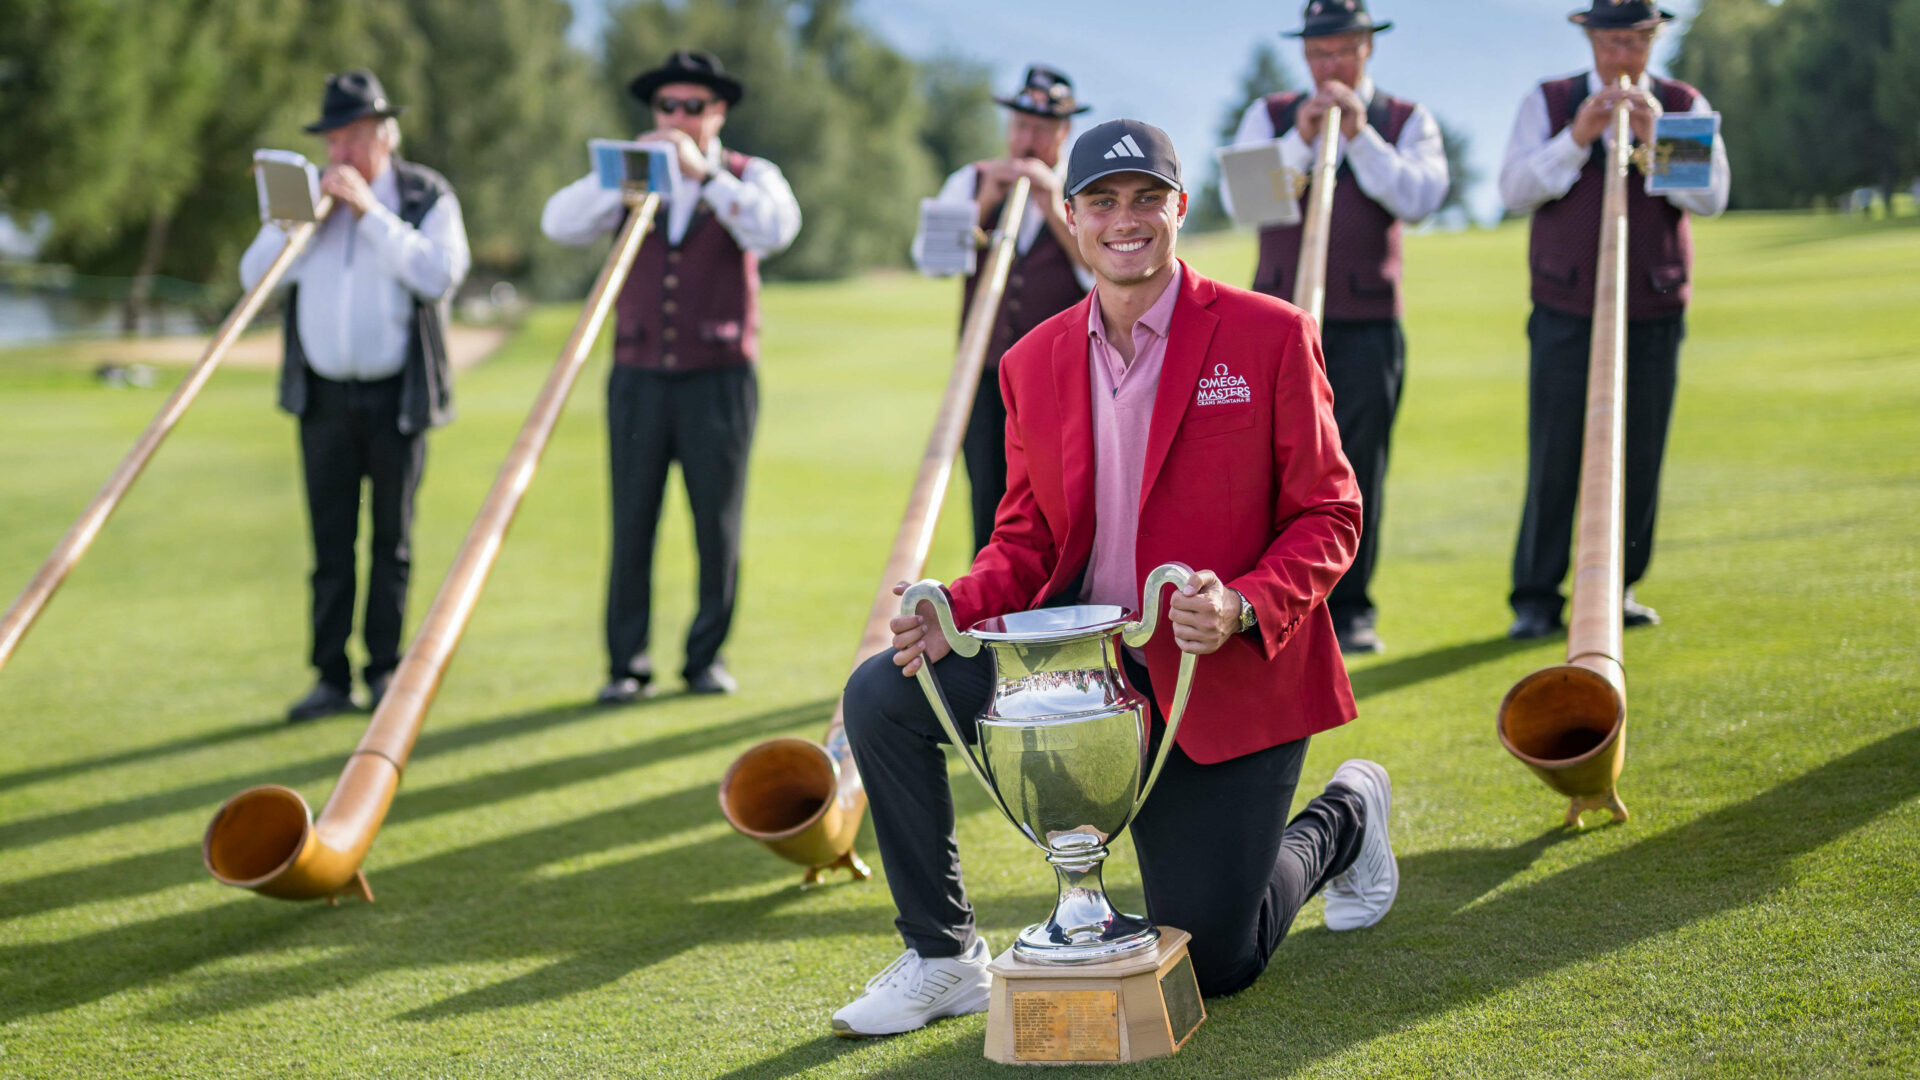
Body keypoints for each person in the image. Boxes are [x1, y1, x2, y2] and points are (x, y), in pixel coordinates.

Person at [829, 119, 1398, 1039]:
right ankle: (943, 955)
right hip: (1079, 671)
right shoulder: (1033, 361)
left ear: (1178, 208)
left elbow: (1331, 514)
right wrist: (956, 607)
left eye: (1144, 199)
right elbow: (1025, 535)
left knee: (1220, 960)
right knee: (882, 692)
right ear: (1073, 216)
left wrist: (1245, 603)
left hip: (1221, 671)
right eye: (1103, 202)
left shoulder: (1271, 335)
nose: (1124, 220)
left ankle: (1346, 816)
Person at [542, 49, 801, 702]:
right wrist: (623, 171)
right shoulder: (629, 179)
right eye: (667, 107)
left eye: (693, 107)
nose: (678, 119)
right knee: (632, 522)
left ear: (718, 114)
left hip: (720, 375)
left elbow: (776, 229)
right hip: (638, 373)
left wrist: (705, 174)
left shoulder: (748, 174)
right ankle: (625, 664)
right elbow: (559, 224)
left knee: (717, 525)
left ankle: (705, 659)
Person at [240, 70, 471, 723]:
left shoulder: (426, 195)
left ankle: (385, 670)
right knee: (330, 543)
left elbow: (438, 274)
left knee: (392, 541)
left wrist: (371, 214)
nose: (339, 154)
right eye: (332, 140)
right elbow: (254, 280)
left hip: (396, 396)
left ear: (383, 136)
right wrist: (295, 224)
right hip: (323, 397)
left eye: (352, 138)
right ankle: (330, 676)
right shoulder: (304, 200)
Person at [1498, 0, 1730, 640]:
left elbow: (1711, 198)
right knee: (1555, 451)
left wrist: (1660, 140)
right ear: (1590, 40)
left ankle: (1617, 588)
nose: (1622, 57)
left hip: (1652, 307)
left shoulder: (1681, 102)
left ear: (1653, 40)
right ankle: (1536, 597)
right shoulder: (1550, 101)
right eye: (1610, 42)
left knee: (1640, 450)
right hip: (1565, 307)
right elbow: (1515, 190)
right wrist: (1577, 137)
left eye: (1634, 41)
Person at [1225, 0, 1447, 656]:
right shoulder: (1269, 117)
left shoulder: (1404, 120)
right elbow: (1248, 204)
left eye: (1345, 50)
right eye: (1321, 53)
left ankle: (1349, 611)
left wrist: (1358, 138)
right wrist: (1300, 139)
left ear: (1368, 49)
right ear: (1305, 55)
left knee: (1358, 467)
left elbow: (1421, 199)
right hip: (1274, 323)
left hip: (1369, 321)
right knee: (1262, 464)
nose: (1332, 65)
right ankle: (1267, 600)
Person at [910, 65, 1094, 554]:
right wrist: (985, 201)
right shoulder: (969, 181)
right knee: (989, 499)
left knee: (1059, 504)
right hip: (983, 373)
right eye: (1019, 126)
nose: (1026, 140)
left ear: (1063, 133)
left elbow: (1097, 274)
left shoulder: (1083, 189)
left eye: (1040, 129)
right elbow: (931, 263)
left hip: (1062, 377)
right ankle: (987, 617)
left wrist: (1054, 205)